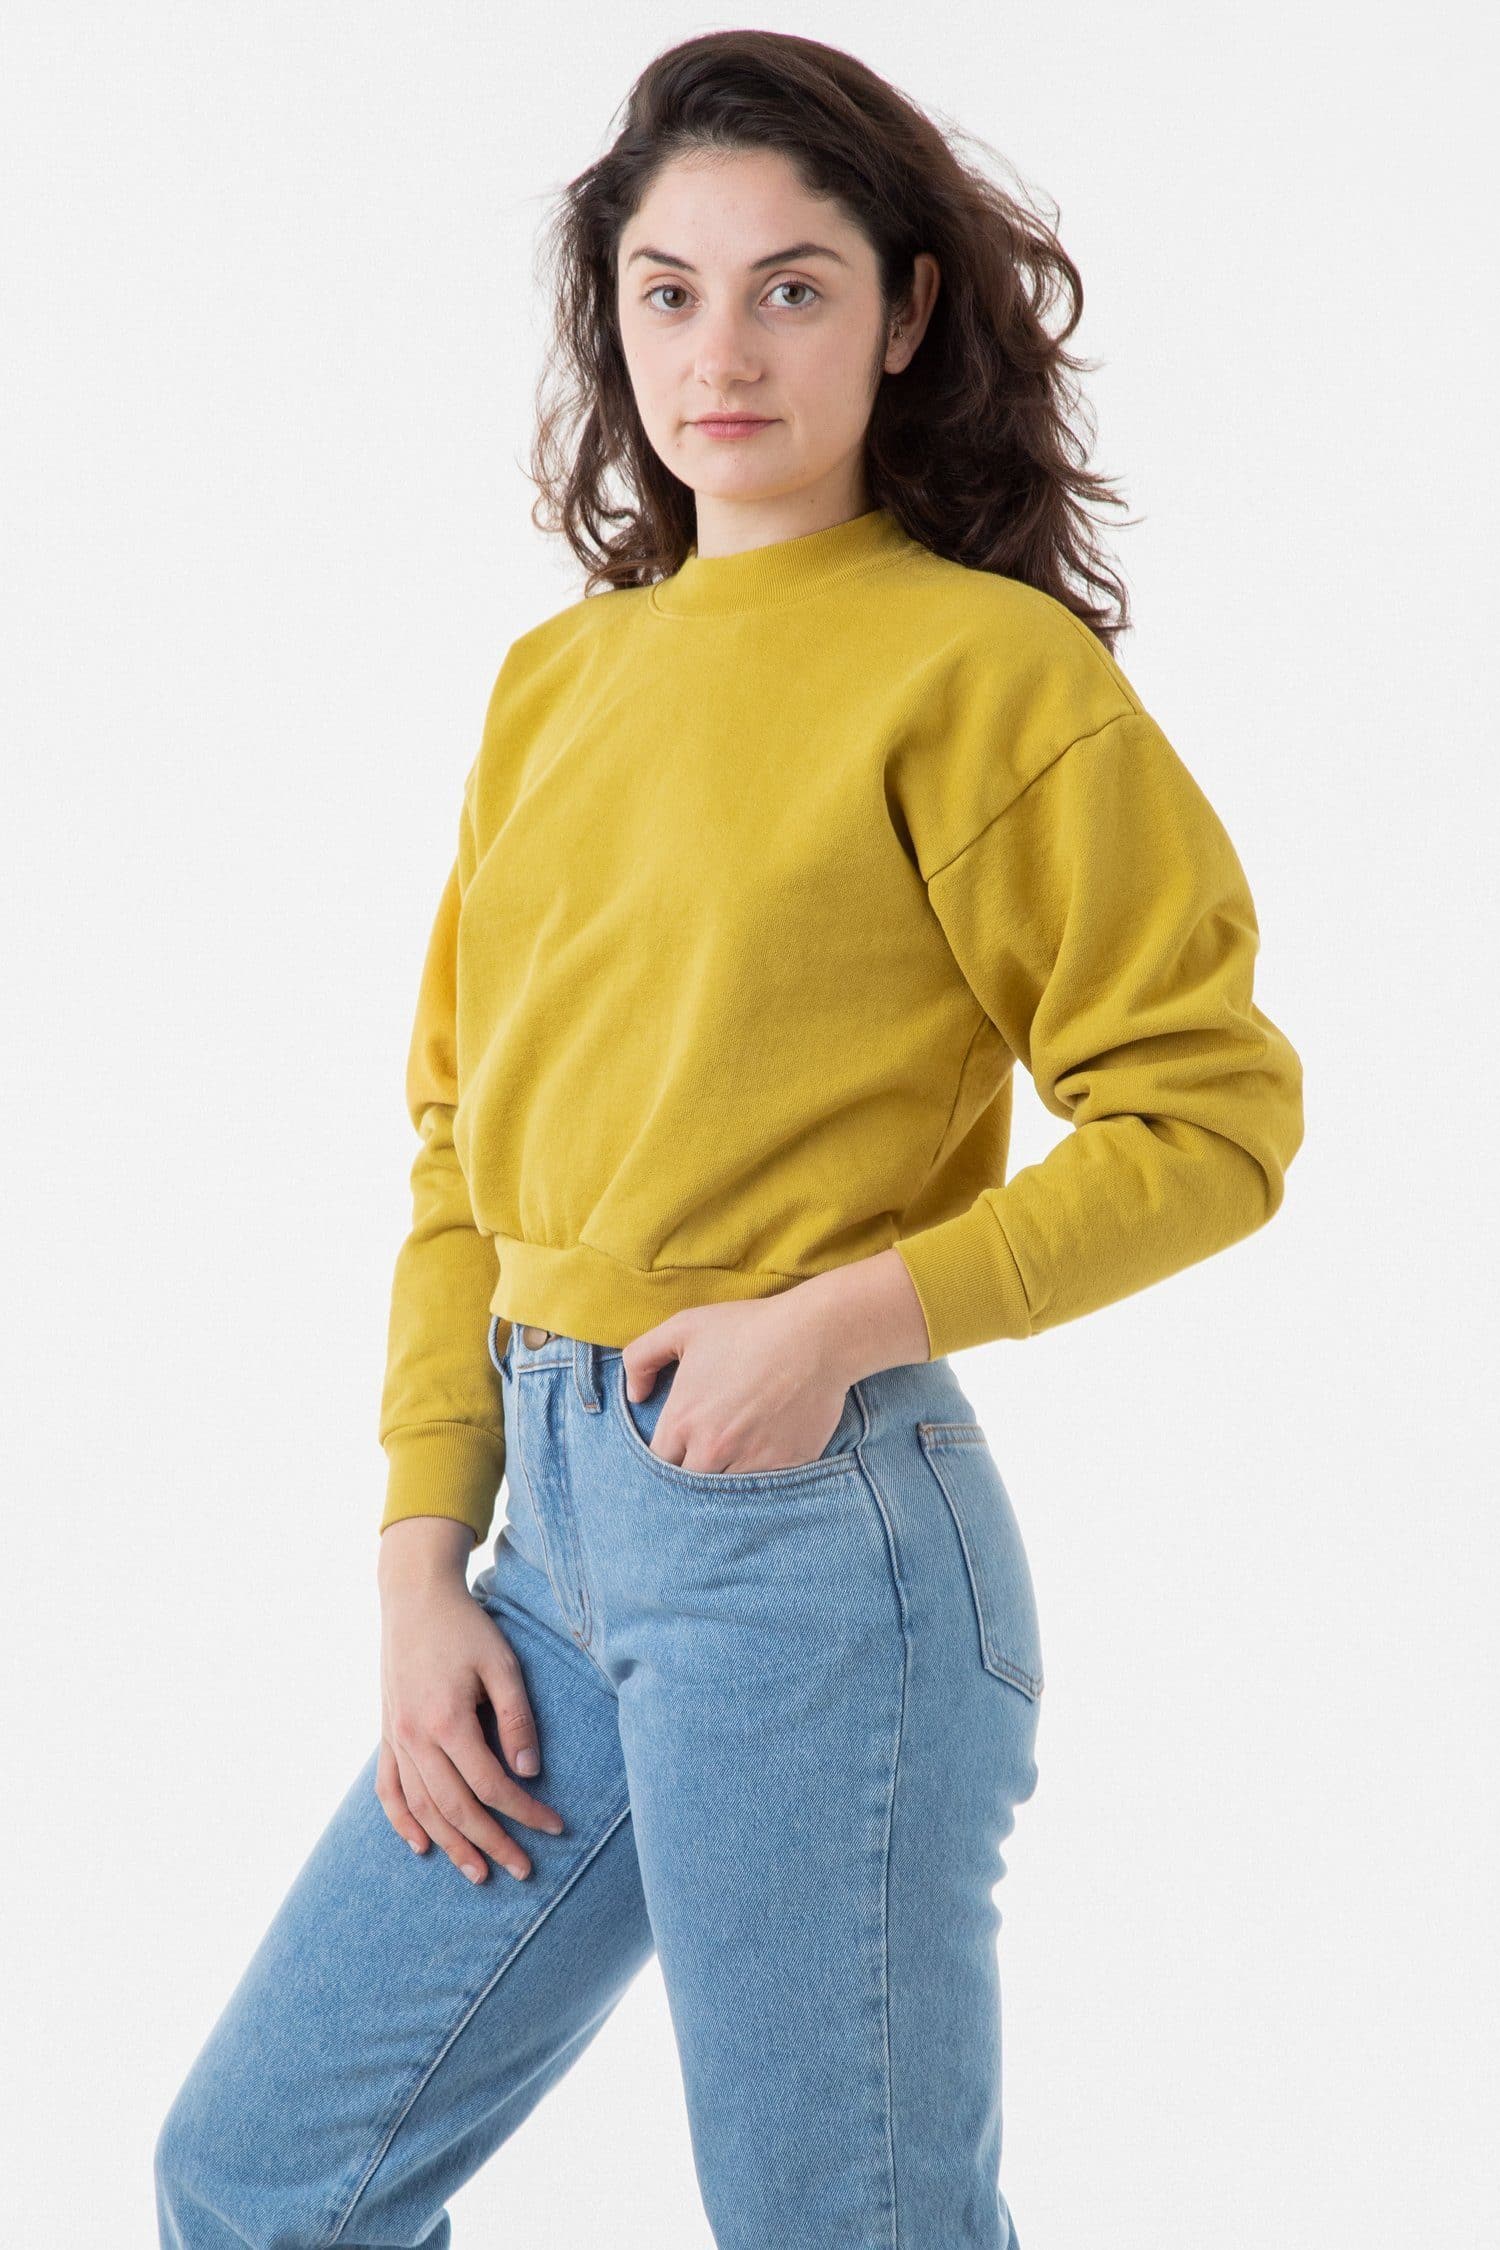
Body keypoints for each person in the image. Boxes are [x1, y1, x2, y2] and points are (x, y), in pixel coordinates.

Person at [154, 28, 1304, 2250]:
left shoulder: (986, 675)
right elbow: (459, 1149)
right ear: (612, 320)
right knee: (261, 2174)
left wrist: (840, 1324)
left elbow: (1214, 1114)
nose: (724, 352)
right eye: (668, 292)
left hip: (810, 1545)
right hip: (545, 1558)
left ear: (906, 313)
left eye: (792, 287)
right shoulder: (554, 687)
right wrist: (418, 1560)